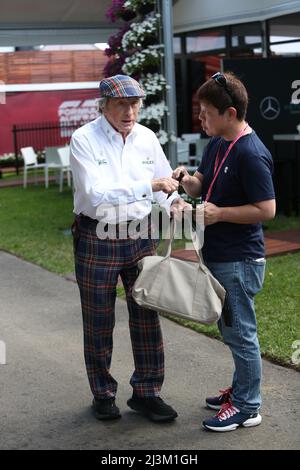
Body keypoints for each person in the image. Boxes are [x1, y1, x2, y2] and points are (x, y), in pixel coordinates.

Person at [70, 74, 187, 423]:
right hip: (97, 236)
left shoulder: (147, 137)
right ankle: (103, 395)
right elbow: (94, 193)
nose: (130, 110)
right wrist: (147, 184)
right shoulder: (83, 139)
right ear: (103, 105)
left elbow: (165, 185)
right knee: (98, 319)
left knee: (147, 314)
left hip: (140, 235)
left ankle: (147, 393)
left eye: (135, 103)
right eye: (122, 103)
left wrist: (175, 203)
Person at [173, 71, 276, 432]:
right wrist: (188, 183)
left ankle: (248, 406)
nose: (201, 119)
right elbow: (204, 184)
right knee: (232, 330)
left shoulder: (251, 153)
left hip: (240, 260)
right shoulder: (218, 143)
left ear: (230, 113)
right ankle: (241, 391)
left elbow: (267, 210)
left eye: (206, 113)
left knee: (240, 332)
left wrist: (219, 214)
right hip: (222, 256)